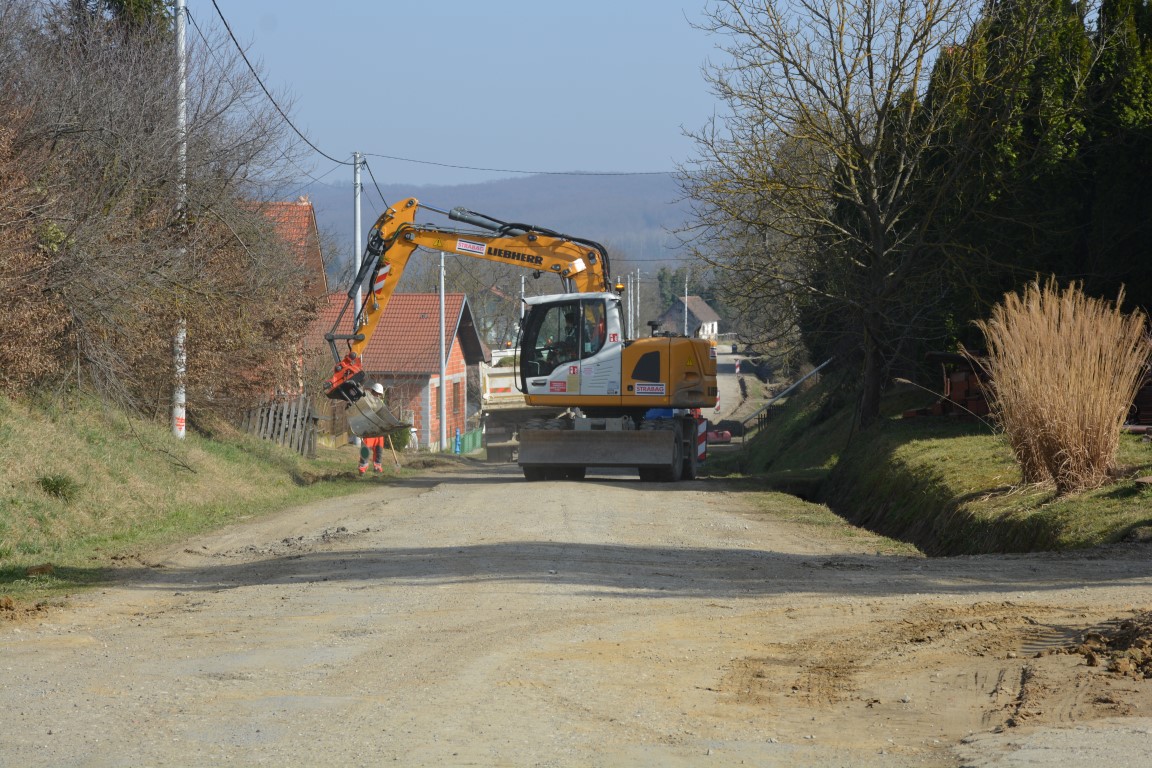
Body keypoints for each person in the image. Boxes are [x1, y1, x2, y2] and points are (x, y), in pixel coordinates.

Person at [358, 382, 387, 474]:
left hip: (378, 428)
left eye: (379, 394)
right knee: (365, 449)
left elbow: (383, 413)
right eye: (376, 393)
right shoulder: (365, 399)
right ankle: (362, 468)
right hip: (368, 428)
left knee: (379, 448)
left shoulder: (380, 402)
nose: (377, 395)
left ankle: (377, 466)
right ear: (372, 391)